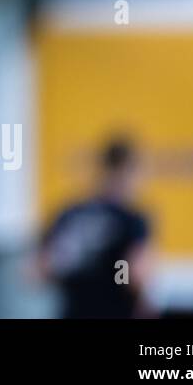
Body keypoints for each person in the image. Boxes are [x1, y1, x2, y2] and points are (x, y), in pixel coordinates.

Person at [38, 136, 154, 318]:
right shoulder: (130, 219)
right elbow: (134, 274)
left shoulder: (71, 214)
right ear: (126, 170)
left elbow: (41, 269)